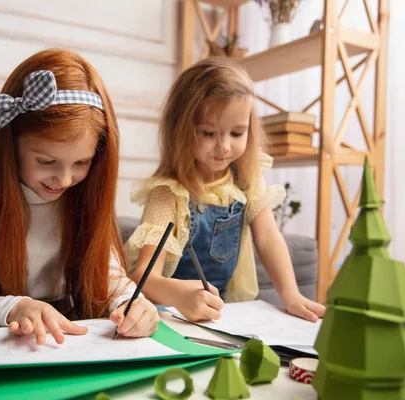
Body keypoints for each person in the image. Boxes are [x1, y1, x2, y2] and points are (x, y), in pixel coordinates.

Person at [0, 48, 159, 345]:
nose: (65, 180)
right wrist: (15, 307)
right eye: (46, 162)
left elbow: (108, 276)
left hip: (69, 328)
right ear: (11, 144)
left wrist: (131, 303)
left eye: (81, 163)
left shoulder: (86, 189)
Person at [124, 56, 326, 323]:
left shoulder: (246, 179)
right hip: (168, 314)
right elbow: (143, 277)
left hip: (223, 312)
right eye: (208, 133)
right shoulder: (170, 193)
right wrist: (180, 296)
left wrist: (291, 294)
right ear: (181, 131)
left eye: (237, 133)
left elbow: (267, 238)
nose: (224, 146)